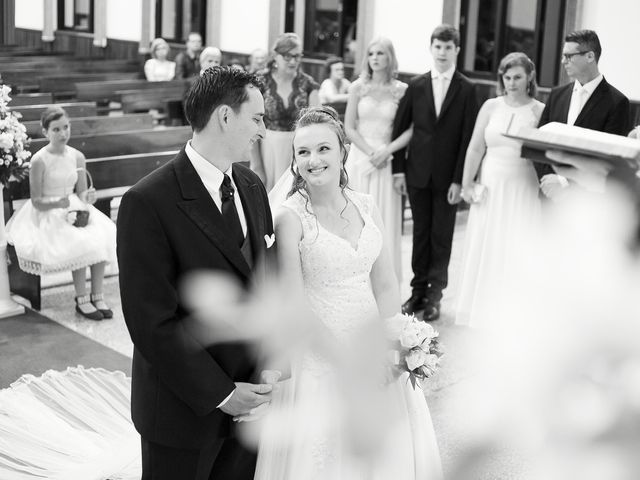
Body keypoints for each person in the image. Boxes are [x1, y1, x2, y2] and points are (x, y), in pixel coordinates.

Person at [254, 106, 442, 479]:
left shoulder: (366, 205)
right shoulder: (290, 218)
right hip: (321, 357)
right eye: (303, 152)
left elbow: (386, 284)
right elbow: (294, 307)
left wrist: (394, 344)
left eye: (323, 148)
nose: (313, 160)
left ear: (344, 151)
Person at [117, 67, 275, 480]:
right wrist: (223, 394)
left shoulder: (252, 186)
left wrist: (265, 372)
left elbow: (265, 285)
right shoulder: (148, 201)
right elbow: (152, 322)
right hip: (182, 412)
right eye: (257, 118)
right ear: (225, 117)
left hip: (249, 407)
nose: (263, 129)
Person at [392, 25, 479, 321]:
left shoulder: (467, 88)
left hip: (448, 179)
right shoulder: (415, 85)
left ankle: (435, 296)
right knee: (420, 235)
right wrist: (398, 171)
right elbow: (400, 129)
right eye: (438, 47)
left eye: (448, 47)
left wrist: (460, 180)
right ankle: (416, 292)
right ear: (431, 48)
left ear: (457, 50)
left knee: (442, 238)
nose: (442, 52)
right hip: (417, 174)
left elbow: (469, 138)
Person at [456, 52, 545, 328]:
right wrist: (467, 182)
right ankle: (480, 310)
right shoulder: (491, 106)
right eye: (507, 77)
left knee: (515, 244)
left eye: (518, 76)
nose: (512, 82)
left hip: (522, 185)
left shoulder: (540, 110)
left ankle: (513, 314)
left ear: (529, 77)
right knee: (485, 242)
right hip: (491, 184)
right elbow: (475, 147)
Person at [6, 106, 116, 321]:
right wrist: (59, 202)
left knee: (101, 237)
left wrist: (88, 198)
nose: (63, 133)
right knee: (80, 243)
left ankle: (98, 295)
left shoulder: (77, 156)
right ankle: (81, 298)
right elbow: (36, 201)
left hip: (73, 207)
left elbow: (82, 193)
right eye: (56, 129)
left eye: (66, 127)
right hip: (47, 212)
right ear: (45, 131)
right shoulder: (39, 160)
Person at [344, 37, 410, 282]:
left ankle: (384, 281)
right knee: (356, 218)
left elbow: (410, 129)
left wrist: (386, 150)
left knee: (383, 218)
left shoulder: (401, 90)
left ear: (389, 57)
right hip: (361, 158)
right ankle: (354, 277)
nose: (375, 58)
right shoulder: (357, 87)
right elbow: (349, 127)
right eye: (371, 53)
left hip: (387, 159)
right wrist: (370, 151)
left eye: (380, 53)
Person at [536, 29, 631, 200]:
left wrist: (564, 183)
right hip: (547, 192)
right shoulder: (557, 95)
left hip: (586, 200)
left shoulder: (617, 103)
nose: (563, 61)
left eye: (569, 56)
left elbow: (610, 158)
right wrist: (548, 180)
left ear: (589, 57)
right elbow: (538, 142)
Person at [254, 33, 319, 191]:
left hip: (298, 149)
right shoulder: (260, 82)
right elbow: (252, 122)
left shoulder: (308, 84)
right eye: (288, 56)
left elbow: (318, 123)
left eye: (297, 56)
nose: (293, 61)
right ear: (275, 56)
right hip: (267, 148)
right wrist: (257, 165)